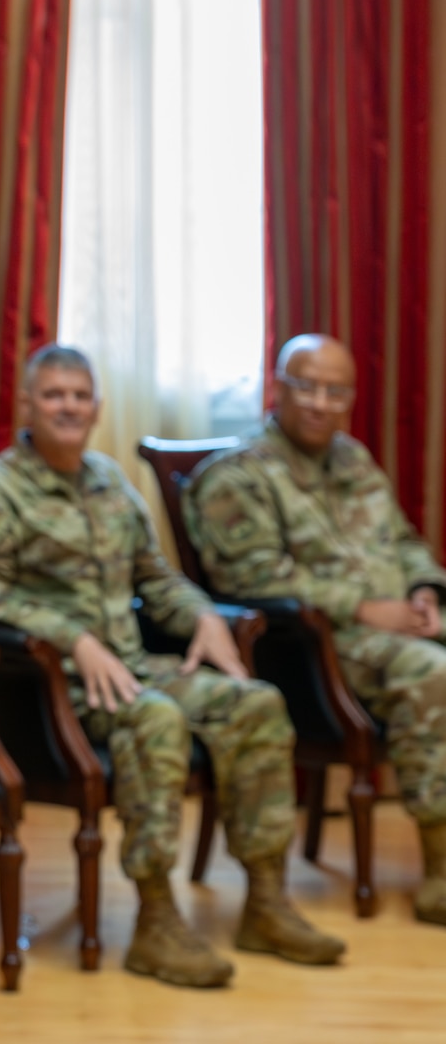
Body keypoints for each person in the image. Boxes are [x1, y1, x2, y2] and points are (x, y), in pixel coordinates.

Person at [0, 344, 344, 988]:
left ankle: (265, 904)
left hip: (129, 668)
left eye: (79, 395)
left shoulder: (109, 482)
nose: (68, 406)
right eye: (54, 394)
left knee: (257, 701)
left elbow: (157, 579)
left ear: (97, 406)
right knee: (155, 719)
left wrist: (205, 614)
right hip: (48, 691)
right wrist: (74, 639)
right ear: (26, 404)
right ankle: (155, 924)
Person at [186, 332, 446, 926]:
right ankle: (439, 874)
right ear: (277, 387)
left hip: (393, 625)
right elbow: (250, 578)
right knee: (436, 673)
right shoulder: (238, 474)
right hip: (314, 652)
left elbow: (405, 542)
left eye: (336, 391)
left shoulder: (352, 458)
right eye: (306, 385)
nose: (320, 402)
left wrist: (422, 590)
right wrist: (362, 607)